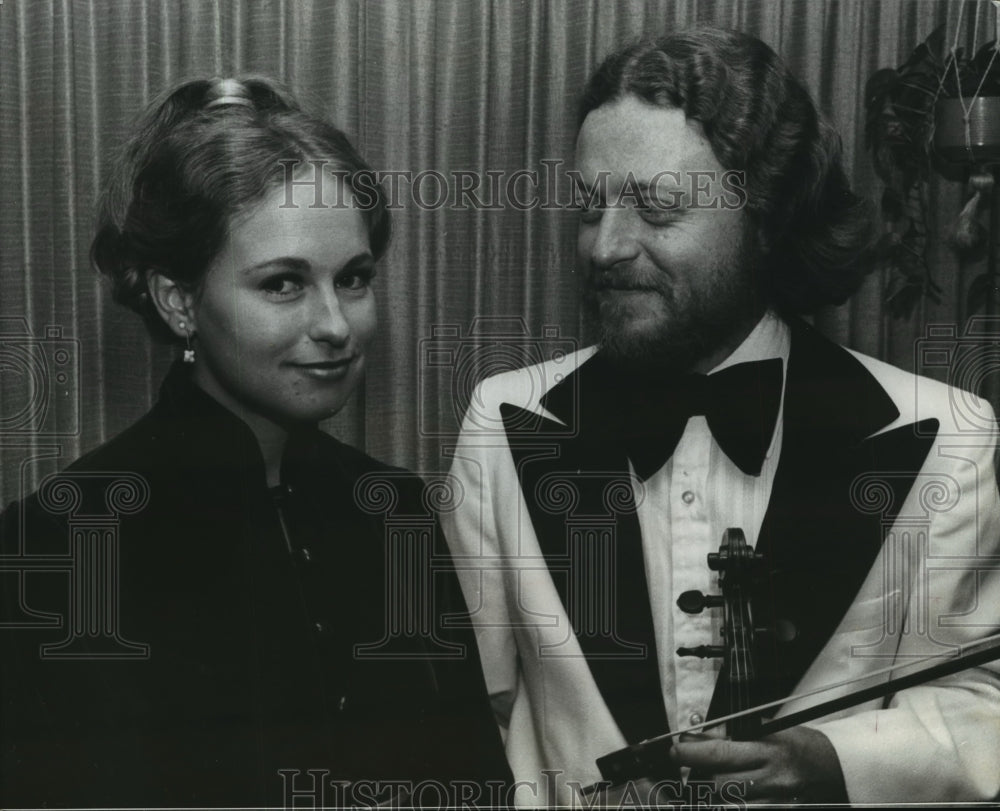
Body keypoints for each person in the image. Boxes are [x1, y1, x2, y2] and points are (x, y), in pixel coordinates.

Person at [442, 28, 1000, 807]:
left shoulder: (949, 437)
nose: (605, 246)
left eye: (657, 208)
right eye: (589, 206)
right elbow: (474, 710)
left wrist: (833, 760)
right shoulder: (503, 422)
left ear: (767, 215)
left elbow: (983, 706)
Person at [0, 76, 510, 808]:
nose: (336, 324)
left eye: (355, 278)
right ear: (178, 299)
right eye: (283, 284)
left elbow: (474, 786)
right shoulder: (56, 544)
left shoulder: (392, 510)